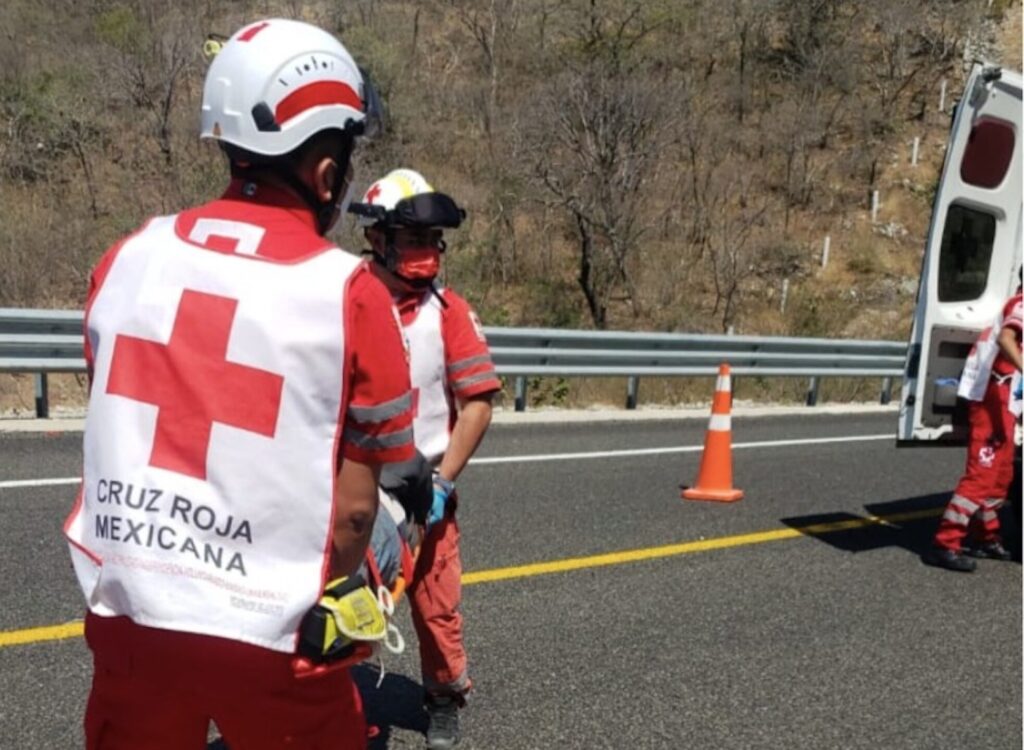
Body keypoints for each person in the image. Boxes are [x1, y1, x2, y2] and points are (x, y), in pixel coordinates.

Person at [63, 19, 415, 749]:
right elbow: (354, 515)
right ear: (325, 173)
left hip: (131, 611)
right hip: (275, 631)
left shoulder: (128, 257)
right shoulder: (349, 295)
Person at [350, 169, 501, 749]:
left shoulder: (449, 313)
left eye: (433, 241)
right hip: (355, 490)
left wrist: (440, 483)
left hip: (427, 488)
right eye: (414, 240)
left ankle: (443, 698)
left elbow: (478, 406)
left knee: (437, 609)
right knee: (344, 603)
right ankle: (338, 704)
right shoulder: (344, 300)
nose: (427, 253)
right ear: (379, 238)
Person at [923, 283, 1023, 572]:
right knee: (981, 476)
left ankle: (985, 537)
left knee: (1001, 478)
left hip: (1006, 402)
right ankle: (944, 544)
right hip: (991, 398)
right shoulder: (1021, 304)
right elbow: (1006, 338)